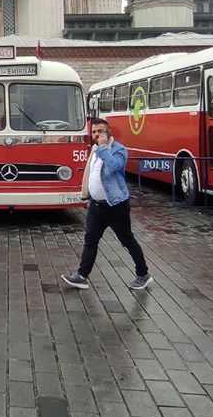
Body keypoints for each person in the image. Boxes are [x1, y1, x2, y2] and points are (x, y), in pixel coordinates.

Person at [62, 117, 152, 291]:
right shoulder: (95, 149)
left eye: (100, 131)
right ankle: (81, 276)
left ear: (108, 132)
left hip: (116, 206)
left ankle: (143, 274)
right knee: (90, 240)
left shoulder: (119, 150)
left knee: (127, 240)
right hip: (97, 206)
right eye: (94, 132)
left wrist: (103, 148)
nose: (96, 135)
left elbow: (115, 166)